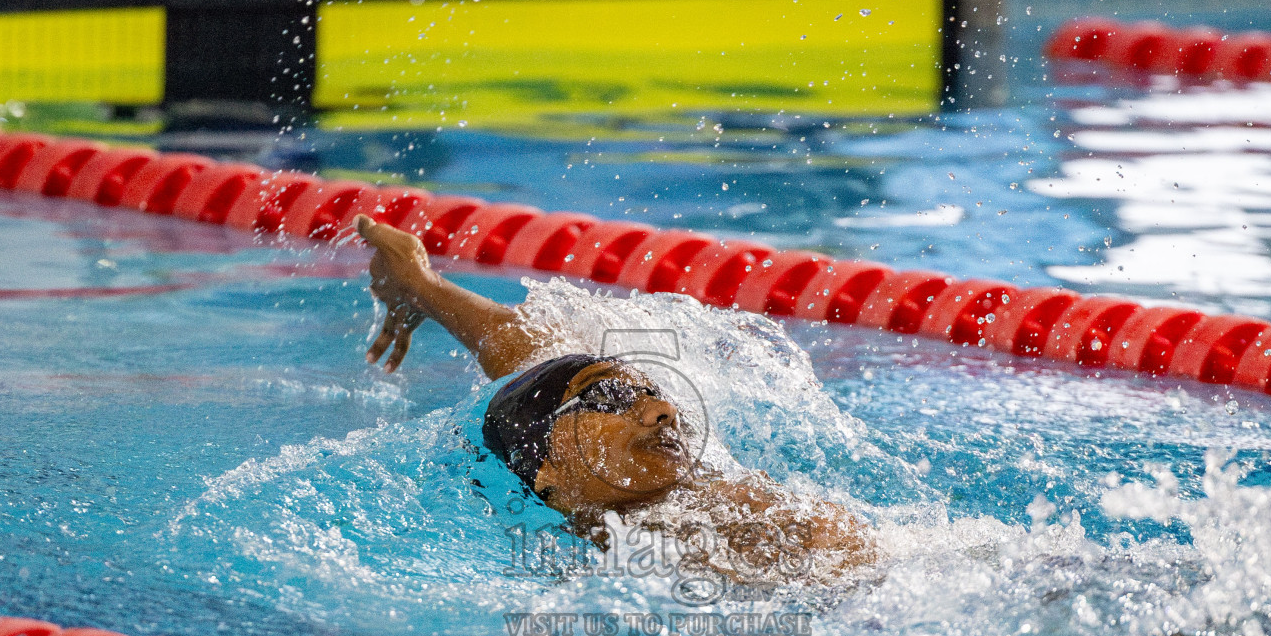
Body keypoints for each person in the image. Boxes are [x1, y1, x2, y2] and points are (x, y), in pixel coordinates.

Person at [353, 215, 879, 583]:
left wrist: (421, 283)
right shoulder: (661, 552)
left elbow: (533, 357)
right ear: (549, 478)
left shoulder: (659, 485)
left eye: (652, 392)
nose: (662, 409)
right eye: (608, 397)